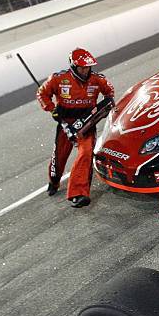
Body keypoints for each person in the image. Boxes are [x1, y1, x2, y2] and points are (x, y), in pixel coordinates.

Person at [37, 48, 114, 207]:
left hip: (87, 124)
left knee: (85, 154)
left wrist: (105, 108)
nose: (85, 71)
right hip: (66, 123)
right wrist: (52, 109)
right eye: (82, 67)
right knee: (59, 157)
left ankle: (78, 194)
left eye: (88, 67)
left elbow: (109, 93)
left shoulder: (98, 79)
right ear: (73, 66)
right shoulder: (58, 79)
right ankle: (54, 180)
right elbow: (42, 94)